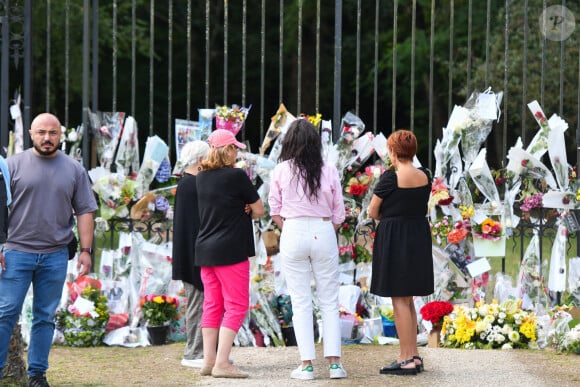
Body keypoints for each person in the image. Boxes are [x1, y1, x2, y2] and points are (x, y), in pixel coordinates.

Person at [0, 113, 98, 387]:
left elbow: (85, 211)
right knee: (5, 313)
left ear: (60, 135)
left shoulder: (74, 169)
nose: (47, 138)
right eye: (41, 132)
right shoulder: (12, 166)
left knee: (45, 316)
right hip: (15, 253)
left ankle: (37, 375)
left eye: (52, 133)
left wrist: (86, 250)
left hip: (55, 255)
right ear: (31, 134)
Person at [268, 119, 347, 381]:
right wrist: (325, 230)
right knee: (329, 300)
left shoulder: (280, 170)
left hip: (293, 230)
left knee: (300, 301)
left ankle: (307, 364)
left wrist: (290, 226)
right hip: (323, 230)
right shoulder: (329, 169)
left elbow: (275, 210)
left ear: (289, 142)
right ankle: (335, 364)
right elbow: (339, 213)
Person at [195, 129, 264, 379]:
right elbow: (259, 209)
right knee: (236, 305)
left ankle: (208, 360)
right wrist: (246, 207)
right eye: (234, 148)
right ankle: (223, 362)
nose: (237, 152)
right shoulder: (237, 176)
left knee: (212, 304)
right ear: (226, 150)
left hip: (205, 249)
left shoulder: (201, 177)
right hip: (231, 249)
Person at [367, 129, 433, 376]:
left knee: (398, 300)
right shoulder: (424, 176)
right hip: (417, 236)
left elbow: (373, 211)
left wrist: (390, 217)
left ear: (393, 152)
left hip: (395, 238)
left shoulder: (390, 178)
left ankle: (405, 358)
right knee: (408, 299)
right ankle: (414, 354)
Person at [171, 140, 210, 369]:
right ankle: (194, 352)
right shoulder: (192, 185)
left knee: (202, 302)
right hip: (193, 255)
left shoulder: (187, 184)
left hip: (191, 253)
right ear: (200, 160)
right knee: (198, 303)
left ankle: (202, 350)